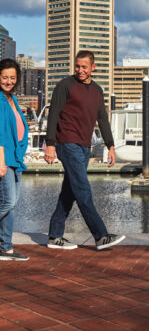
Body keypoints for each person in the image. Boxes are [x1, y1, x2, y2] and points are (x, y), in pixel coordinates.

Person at [44, 50, 125, 250]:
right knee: (83, 189)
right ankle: (100, 236)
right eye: (77, 66)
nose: (80, 70)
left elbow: (103, 120)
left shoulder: (97, 90)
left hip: (83, 146)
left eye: (84, 67)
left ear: (93, 67)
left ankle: (55, 237)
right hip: (67, 142)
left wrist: (111, 146)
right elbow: (53, 114)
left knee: (69, 192)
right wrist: (50, 144)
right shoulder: (65, 85)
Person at [0, 59, 29, 261]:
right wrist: (1, 161)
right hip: (4, 159)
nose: (8, 81)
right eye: (4, 77)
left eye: (12, 77)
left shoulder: (13, 100)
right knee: (8, 201)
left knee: (12, 204)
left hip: (15, 160)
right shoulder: (0, 100)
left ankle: (5, 247)